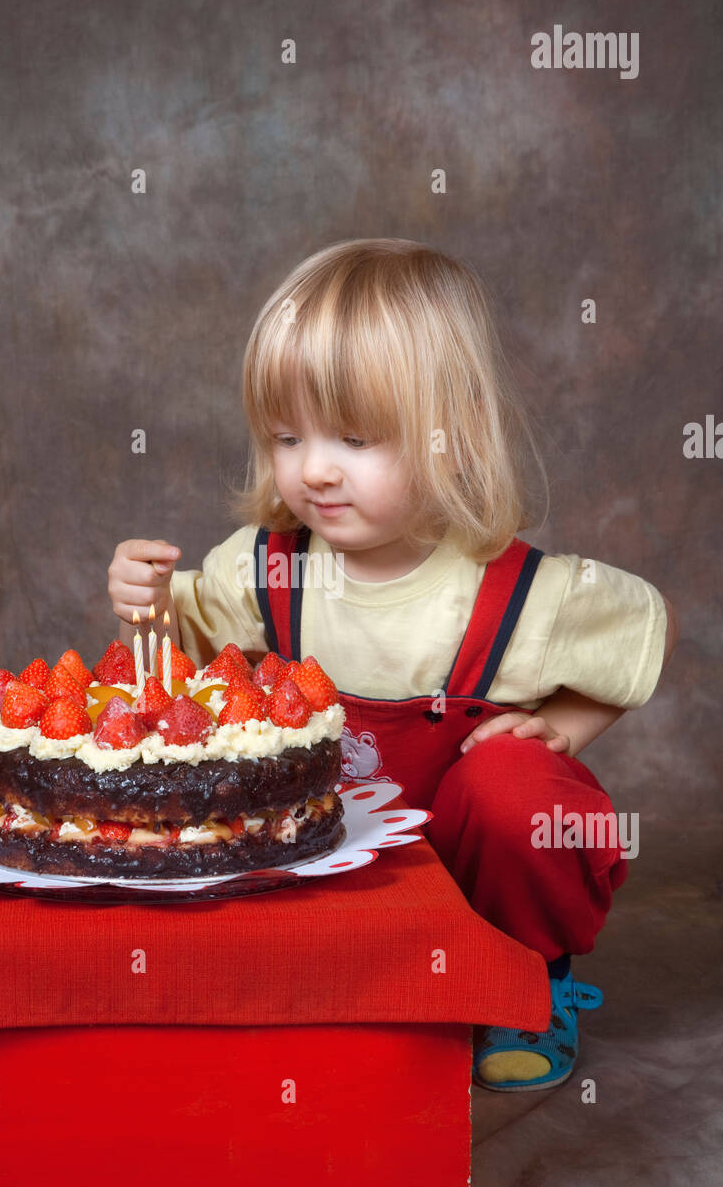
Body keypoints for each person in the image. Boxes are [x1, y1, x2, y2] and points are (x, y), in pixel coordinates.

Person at [107, 238, 678, 1092]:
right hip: (328, 861)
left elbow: (640, 636)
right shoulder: (271, 566)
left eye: (356, 438)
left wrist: (556, 731)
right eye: (288, 436)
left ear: (453, 438)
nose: (315, 469)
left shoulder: (514, 589)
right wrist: (143, 599)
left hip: (463, 867)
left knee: (518, 790)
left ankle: (527, 986)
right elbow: (180, 649)